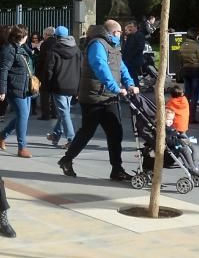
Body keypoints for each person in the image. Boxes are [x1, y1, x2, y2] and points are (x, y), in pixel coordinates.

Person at [58, 20, 139, 180]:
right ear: (112, 32)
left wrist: (130, 83)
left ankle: (117, 169)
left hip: (109, 97)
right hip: (94, 96)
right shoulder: (97, 44)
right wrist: (115, 88)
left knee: (116, 132)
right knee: (87, 131)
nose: (121, 35)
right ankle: (67, 159)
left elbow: (121, 66)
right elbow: (100, 66)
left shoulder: (113, 46)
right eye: (119, 32)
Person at [0, 25, 35, 158]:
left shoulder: (22, 47)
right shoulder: (9, 50)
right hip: (15, 87)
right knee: (23, 115)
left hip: (26, 87)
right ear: (23, 36)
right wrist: (2, 90)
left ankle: (2, 135)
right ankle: (22, 147)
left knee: (23, 116)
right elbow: (3, 70)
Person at [43, 25, 80, 148]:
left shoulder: (54, 50)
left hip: (58, 85)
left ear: (56, 36)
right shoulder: (77, 49)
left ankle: (71, 139)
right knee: (65, 111)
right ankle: (55, 134)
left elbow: (49, 70)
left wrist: (46, 85)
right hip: (73, 84)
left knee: (64, 112)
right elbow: (81, 68)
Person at [177, 28, 199, 123]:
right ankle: (192, 117)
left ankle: (184, 115)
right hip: (196, 71)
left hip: (186, 71)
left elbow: (180, 60)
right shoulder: (196, 46)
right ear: (195, 35)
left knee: (187, 94)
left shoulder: (182, 45)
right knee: (194, 95)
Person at [35, 26, 57, 120]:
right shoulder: (58, 43)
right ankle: (54, 113)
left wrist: (37, 72)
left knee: (44, 94)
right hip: (56, 72)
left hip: (45, 71)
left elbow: (41, 59)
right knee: (54, 94)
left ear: (46, 35)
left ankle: (46, 114)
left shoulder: (45, 44)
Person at [121, 21, 147, 85]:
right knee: (128, 74)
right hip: (127, 59)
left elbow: (140, 48)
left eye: (131, 27)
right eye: (129, 27)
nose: (130, 28)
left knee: (133, 75)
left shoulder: (139, 35)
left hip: (134, 59)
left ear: (135, 27)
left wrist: (131, 55)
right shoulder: (130, 35)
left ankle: (136, 87)